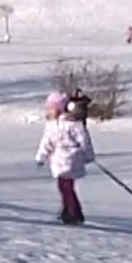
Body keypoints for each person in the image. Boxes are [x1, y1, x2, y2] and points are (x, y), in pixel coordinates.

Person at [35, 96, 95, 224]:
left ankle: (71, 213)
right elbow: (47, 143)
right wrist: (42, 156)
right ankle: (72, 211)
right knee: (65, 186)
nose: (50, 111)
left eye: (52, 108)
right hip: (59, 159)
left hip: (71, 158)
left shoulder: (73, 124)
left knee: (66, 186)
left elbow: (84, 141)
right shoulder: (52, 125)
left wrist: (88, 155)